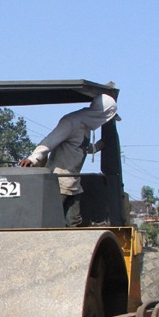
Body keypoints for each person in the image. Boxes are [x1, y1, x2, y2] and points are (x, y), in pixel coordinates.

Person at [18, 93, 119, 227]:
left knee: (73, 223)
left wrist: (100, 146)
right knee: (51, 222)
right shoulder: (71, 122)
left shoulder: (85, 126)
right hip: (59, 183)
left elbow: (81, 147)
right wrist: (33, 158)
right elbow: (49, 141)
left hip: (73, 183)